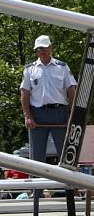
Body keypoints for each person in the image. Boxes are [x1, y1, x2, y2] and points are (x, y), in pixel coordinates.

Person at [20, 35, 77, 165]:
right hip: (37, 114)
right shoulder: (30, 69)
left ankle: (69, 185)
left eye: (44, 48)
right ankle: (37, 185)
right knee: (36, 157)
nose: (41, 51)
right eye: (38, 49)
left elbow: (72, 91)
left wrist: (73, 115)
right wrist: (27, 116)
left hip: (59, 113)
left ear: (50, 48)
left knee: (66, 154)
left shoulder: (62, 67)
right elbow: (24, 93)